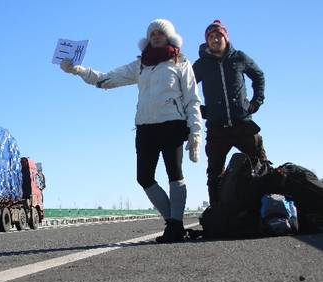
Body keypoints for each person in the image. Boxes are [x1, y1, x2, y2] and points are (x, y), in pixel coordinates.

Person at [60, 19, 203, 243]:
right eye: (152, 33)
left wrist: (196, 131)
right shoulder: (140, 65)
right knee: (144, 177)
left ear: (169, 37)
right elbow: (106, 79)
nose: (156, 36)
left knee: (174, 174)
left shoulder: (181, 63)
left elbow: (193, 99)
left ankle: (175, 225)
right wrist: (77, 70)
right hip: (145, 127)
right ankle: (172, 221)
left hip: (172, 125)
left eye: (160, 33)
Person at [192, 19, 268, 207]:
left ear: (225, 38)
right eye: (211, 37)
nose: (215, 40)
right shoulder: (201, 65)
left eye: (218, 36)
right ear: (207, 41)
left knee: (262, 167)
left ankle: (269, 210)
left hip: (243, 124)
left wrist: (256, 101)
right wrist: (200, 110)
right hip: (218, 129)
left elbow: (259, 76)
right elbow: (185, 89)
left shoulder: (239, 58)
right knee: (214, 174)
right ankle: (217, 215)